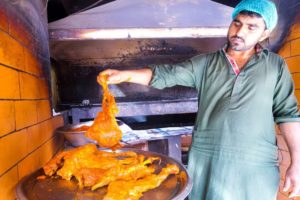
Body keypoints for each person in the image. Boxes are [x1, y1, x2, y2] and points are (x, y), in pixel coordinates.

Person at [99, 0, 300, 199]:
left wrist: (297, 163)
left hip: (256, 167)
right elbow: (166, 74)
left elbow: (288, 115)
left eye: (251, 27)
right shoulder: (206, 63)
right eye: (237, 23)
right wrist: (124, 75)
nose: (240, 32)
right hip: (208, 162)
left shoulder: (275, 66)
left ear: (265, 33)